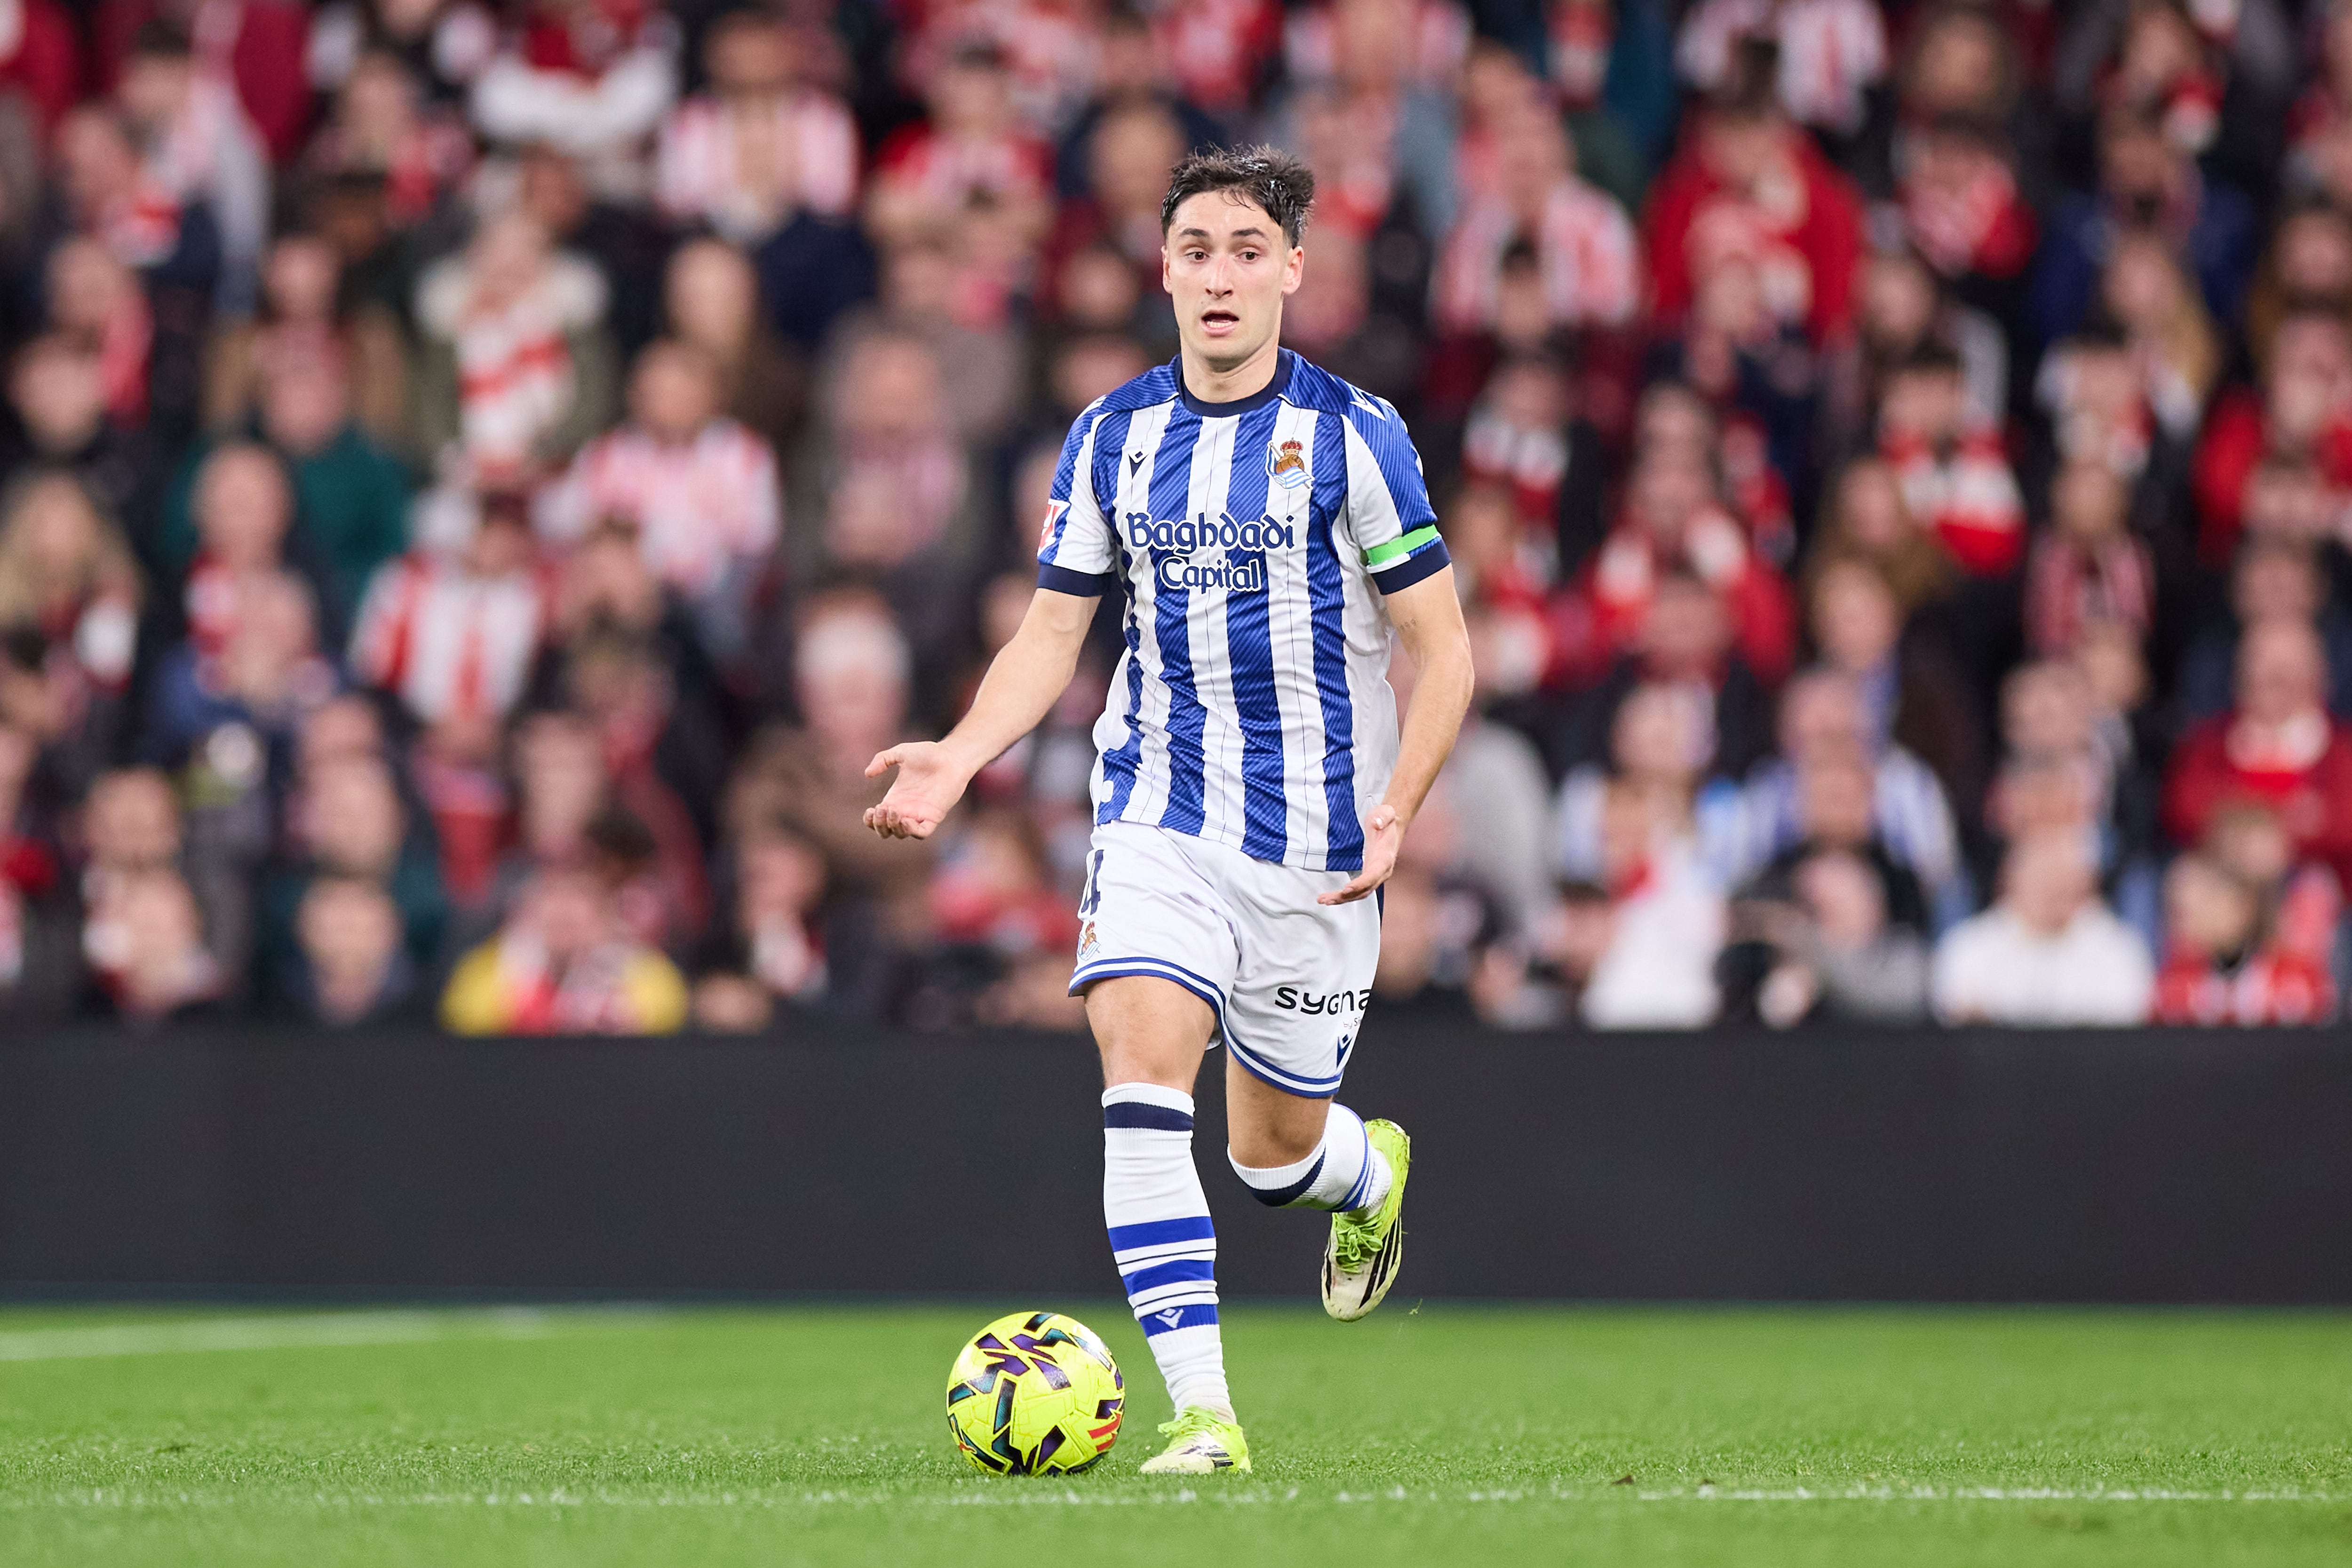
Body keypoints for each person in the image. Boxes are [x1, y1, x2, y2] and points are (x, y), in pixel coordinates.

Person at [862, 147, 1474, 1475]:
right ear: (1166, 271)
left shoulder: (1355, 436)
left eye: (1248, 251)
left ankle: (1365, 1174)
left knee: (1271, 1157)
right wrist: (960, 755)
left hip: (1318, 848)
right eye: (1197, 251)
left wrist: (1398, 809)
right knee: (1141, 1081)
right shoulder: (1112, 435)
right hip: (1158, 815)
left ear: (1293, 271)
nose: (1220, 276)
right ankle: (1205, 1417)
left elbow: (1446, 650)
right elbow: (1051, 634)